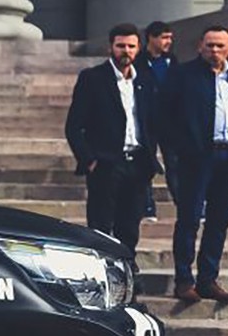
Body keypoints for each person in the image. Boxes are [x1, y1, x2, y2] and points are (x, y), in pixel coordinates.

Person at [159, 25, 228, 304]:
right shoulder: (183, 75)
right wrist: (180, 149)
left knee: (219, 220)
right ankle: (183, 279)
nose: (214, 51)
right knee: (189, 219)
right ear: (199, 47)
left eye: (219, 46)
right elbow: (163, 115)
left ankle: (208, 279)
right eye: (209, 45)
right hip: (195, 157)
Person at [64, 24, 158, 253]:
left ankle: (127, 274)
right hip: (106, 164)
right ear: (111, 47)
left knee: (130, 227)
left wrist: (151, 156)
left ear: (138, 48)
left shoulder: (145, 79)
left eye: (131, 46)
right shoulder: (92, 78)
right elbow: (74, 126)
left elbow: (153, 121)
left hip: (137, 164)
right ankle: (103, 275)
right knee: (100, 227)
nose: (126, 51)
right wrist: (89, 160)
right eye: (120, 46)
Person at [136, 20, 178, 219]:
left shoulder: (173, 61)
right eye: (164, 37)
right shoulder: (139, 62)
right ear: (151, 38)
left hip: (170, 121)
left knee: (175, 164)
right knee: (145, 164)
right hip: (146, 120)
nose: (168, 41)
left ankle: (182, 203)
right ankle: (147, 207)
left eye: (170, 37)